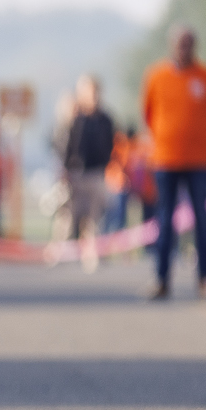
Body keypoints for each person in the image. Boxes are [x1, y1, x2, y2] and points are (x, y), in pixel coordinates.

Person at [140, 26, 206, 300]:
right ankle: (161, 279)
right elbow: (148, 114)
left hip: (199, 160)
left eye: (188, 44)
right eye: (179, 44)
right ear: (171, 46)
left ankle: (205, 278)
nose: (184, 49)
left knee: (203, 218)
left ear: (195, 46)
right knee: (165, 219)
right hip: (165, 159)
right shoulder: (156, 76)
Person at [55, 74, 115, 267]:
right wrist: (65, 168)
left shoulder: (105, 119)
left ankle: (92, 254)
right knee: (69, 216)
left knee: (94, 217)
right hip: (75, 173)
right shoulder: (75, 118)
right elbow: (63, 144)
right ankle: (63, 253)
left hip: (96, 173)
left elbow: (110, 144)